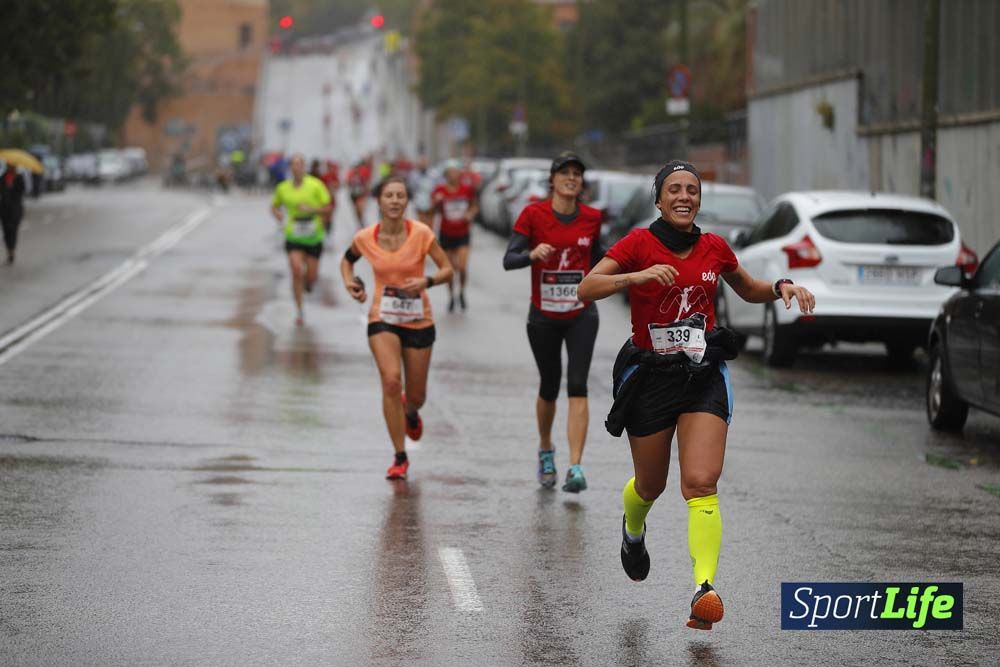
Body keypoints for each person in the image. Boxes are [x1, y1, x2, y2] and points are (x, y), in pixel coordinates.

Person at [577, 160, 815, 630]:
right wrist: (636, 277)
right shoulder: (637, 244)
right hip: (651, 376)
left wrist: (782, 287)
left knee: (702, 482)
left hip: (702, 373)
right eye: (674, 189)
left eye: (692, 189)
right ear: (659, 199)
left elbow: (748, 288)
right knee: (650, 485)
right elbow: (588, 288)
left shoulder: (714, 248)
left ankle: (704, 589)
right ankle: (632, 530)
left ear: (698, 199)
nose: (684, 196)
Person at [340, 176, 453, 480]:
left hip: (418, 320)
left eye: (400, 196)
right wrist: (350, 283)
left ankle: (411, 411)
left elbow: (447, 269)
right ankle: (400, 456)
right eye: (388, 195)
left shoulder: (422, 234)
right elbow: (347, 262)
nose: (394, 201)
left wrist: (427, 281)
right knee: (391, 382)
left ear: (407, 201)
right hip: (383, 318)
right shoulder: (365, 237)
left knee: (416, 395)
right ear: (379, 201)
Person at [503, 152, 603, 492]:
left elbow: (602, 260)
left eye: (577, 173)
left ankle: (575, 466)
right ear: (552, 180)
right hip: (543, 316)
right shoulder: (533, 215)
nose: (571, 178)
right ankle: (546, 449)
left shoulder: (592, 218)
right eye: (565, 173)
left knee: (577, 384)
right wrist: (532, 255)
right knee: (549, 385)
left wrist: (631, 273)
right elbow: (509, 259)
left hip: (581, 314)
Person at [270, 154, 333, 326]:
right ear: (290, 168)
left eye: (299, 164)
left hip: (314, 236)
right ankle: (299, 310)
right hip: (293, 235)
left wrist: (311, 209)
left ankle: (309, 283)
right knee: (296, 270)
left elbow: (328, 208)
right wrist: (278, 214)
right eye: (293, 164)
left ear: (304, 167)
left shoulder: (316, 185)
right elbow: (274, 206)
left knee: (311, 278)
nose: (296, 167)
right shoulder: (283, 187)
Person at [431, 160, 478, 312]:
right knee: (450, 270)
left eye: (455, 172)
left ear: (459, 173)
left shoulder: (467, 189)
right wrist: (436, 201)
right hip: (446, 233)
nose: (452, 175)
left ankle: (462, 292)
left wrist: (470, 214)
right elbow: (432, 210)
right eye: (449, 172)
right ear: (445, 175)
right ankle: (451, 296)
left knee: (462, 267)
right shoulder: (439, 190)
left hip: (463, 233)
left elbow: (474, 205)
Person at [1, 164, 27, 264]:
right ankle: (9, 250)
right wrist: (6, 186)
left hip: (15, 210)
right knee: (6, 232)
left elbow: (22, 191)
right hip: (4, 210)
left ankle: (11, 251)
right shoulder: (3, 177)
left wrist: (12, 186)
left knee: (13, 231)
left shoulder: (19, 178)